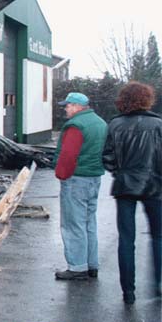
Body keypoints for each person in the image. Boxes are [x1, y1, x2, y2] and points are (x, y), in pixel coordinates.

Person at [102, 82, 162, 304]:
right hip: (155, 185)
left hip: (125, 185)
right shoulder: (158, 124)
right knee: (159, 236)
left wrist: (120, 173)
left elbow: (107, 157)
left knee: (127, 239)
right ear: (147, 99)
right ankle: (159, 283)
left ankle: (128, 291)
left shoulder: (115, 125)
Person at [54, 92, 107, 280]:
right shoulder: (100, 123)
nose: (66, 109)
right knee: (88, 222)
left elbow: (68, 154)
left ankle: (77, 267)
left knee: (72, 224)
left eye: (68, 105)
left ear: (77, 106)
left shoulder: (76, 125)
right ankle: (91, 264)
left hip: (76, 179)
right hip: (94, 177)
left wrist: (61, 174)